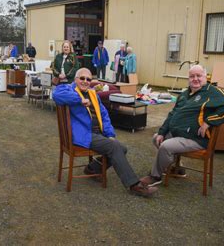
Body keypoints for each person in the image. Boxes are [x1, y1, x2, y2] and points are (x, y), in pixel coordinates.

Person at [53, 67, 158, 198]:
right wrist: (79, 100)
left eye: (88, 79)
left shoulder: (93, 94)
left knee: (122, 148)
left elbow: (104, 115)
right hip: (84, 134)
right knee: (115, 148)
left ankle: (92, 168)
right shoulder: (69, 89)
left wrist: (110, 135)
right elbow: (56, 94)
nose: (85, 81)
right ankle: (134, 185)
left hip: (98, 134)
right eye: (82, 78)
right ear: (75, 79)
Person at [142, 65, 224, 187]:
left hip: (195, 138)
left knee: (165, 146)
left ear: (205, 77)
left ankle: (155, 176)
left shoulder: (212, 91)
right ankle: (178, 168)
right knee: (156, 138)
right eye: (192, 76)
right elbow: (172, 114)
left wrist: (209, 122)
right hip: (179, 134)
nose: (195, 79)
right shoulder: (185, 94)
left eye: (199, 76)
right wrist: (162, 132)